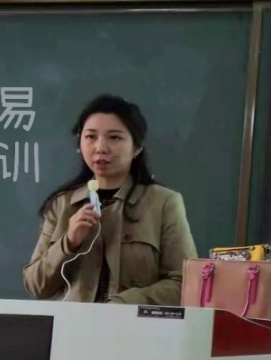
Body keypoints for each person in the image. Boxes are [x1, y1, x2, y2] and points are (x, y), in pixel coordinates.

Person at [23, 94, 197, 304]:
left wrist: (126, 302)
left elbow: (185, 283)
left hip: (134, 323)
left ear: (137, 147)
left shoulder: (164, 202)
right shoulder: (62, 204)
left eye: (114, 137)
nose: (100, 148)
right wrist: (68, 242)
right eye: (90, 136)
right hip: (72, 324)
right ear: (79, 143)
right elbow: (35, 286)